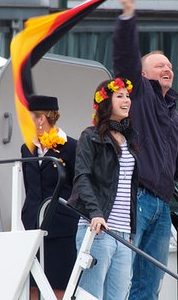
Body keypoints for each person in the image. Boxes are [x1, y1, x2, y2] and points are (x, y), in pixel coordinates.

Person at [113, 0, 178, 300]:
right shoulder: (138, 92)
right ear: (143, 73)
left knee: (150, 284)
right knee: (123, 274)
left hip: (162, 204)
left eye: (170, 66)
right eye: (160, 65)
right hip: (136, 197)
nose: (168, 69)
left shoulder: (172, 112)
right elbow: (125, 58)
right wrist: (127, 16)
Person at [67, 78, 138, 300]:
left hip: (124, 235)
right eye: (120, 96)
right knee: (91, 297)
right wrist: (95, 214)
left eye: (127, 96)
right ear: (106, 102)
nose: (126, 100)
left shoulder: (129, 139)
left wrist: (130, 228)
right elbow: (82, 177)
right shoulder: (91, 136)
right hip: (98, 231)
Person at [20, 95, 79, 299]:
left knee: (58, 287)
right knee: (31, 287)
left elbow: (78, 185)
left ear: (41, 119)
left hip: (61, 227)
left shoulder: (70, 147)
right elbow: (29, 186)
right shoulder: (27, 148)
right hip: (33, 226)